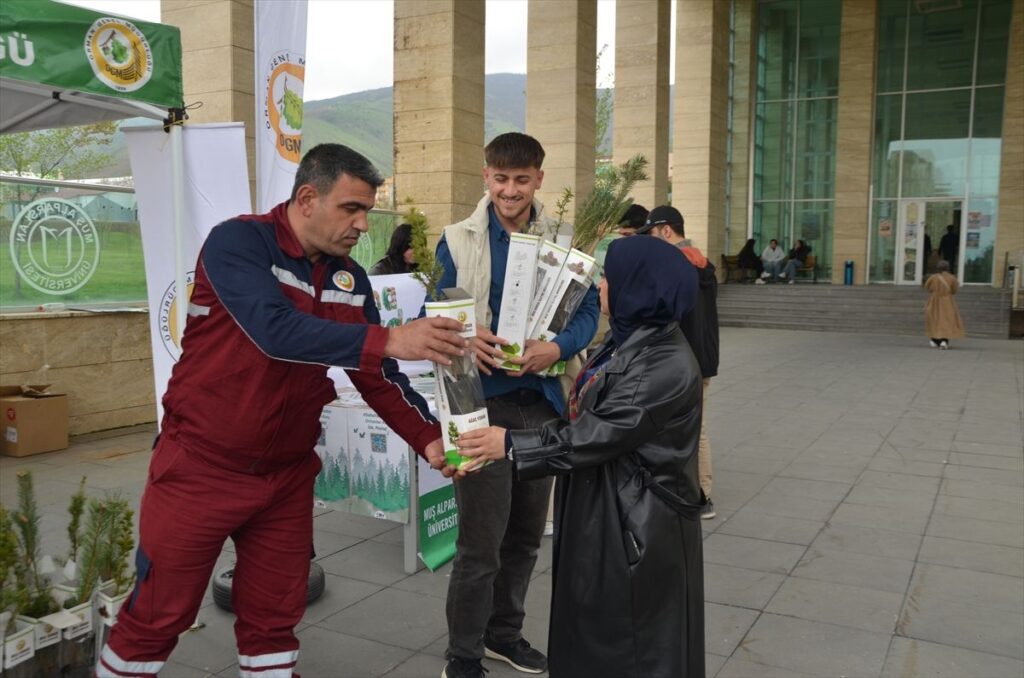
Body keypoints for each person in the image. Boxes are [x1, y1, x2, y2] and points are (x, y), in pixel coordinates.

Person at [97, 144, 467, 678]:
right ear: (308, 198)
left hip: (287, 477)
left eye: (367, 211)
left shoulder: (349, 278)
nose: (363, 225)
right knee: (157, 617)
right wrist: (390, 337)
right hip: (200, 467)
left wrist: (429, 438)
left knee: (274, 621)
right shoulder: (238, 242)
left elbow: (377, 377)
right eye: (351, 208)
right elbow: (273, 331)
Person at [455, 235, 705, 678]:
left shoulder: (662, 364)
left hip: (634, 526)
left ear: (639, 287)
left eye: (610, 277)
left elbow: (595, 435)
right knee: (597, 630)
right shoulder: (631, 339)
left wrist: (510, 444)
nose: (602, 285)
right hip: (610, 509)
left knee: (627, 645)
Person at [434, 132, 599, 678]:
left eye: (521, 180)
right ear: (486, 176)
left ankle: (503, 635)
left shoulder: (563, 240)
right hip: (479, 406)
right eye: (501, 178)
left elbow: (587, 311)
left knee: (526, 538)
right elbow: (437, 308)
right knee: (480, 544)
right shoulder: (456, 240)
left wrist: (558, 347)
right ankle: (463, 655)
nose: (510, 190)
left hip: (542, 405)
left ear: (539, 180)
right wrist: (467, 332)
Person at [635, 205, 719, 519]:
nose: (651, 240)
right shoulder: (702, 263)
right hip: (702, 356)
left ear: (666, 230)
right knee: (694, 426)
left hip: (683, 359)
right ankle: (697, 492)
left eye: (652, 233)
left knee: (693, 429)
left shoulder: (676, 265)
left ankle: (701, 496)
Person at [924, 259, 965, 350]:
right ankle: (944, 341)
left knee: (934, 319)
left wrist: (935, 292)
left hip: (934, 301)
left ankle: (935, 339)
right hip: (947, 301)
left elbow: (927, 287)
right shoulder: (952, 278)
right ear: (948, 268)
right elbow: (954, 290)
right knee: (946, 320)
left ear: (938, 268)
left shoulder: (933, 277)